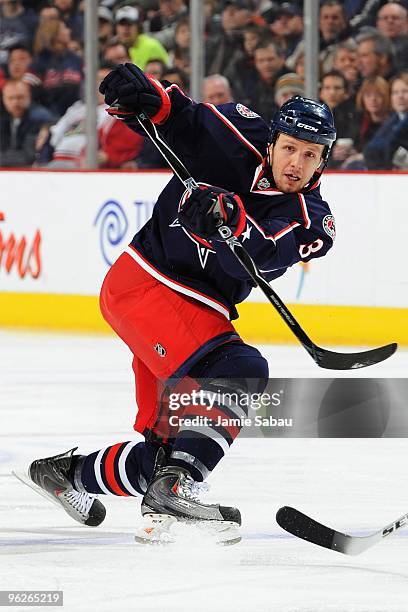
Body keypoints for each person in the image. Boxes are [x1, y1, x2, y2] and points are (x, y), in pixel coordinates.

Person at [22, 62, 336, 544]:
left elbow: (265, 254)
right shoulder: (240, 128)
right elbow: (183, 119)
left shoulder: (312, 220)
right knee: (240, 367)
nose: (295, 163)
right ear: (272, 142)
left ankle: (66, 473)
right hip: (146, 281)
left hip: (196, 310)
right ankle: (179, 487)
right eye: (289, 148)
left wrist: (231, 222)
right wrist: (148, 97)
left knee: (168, 450)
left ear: (324, 162)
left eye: (310, 155)